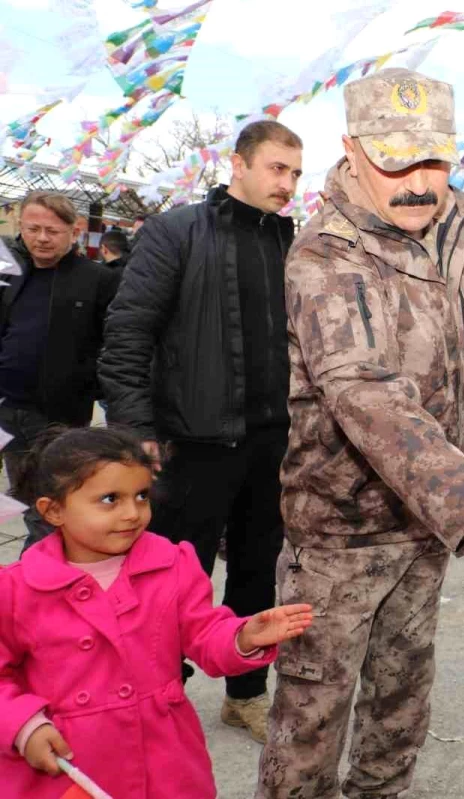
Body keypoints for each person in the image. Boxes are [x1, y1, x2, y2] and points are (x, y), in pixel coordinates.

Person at [255, 68, 464, 799]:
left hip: (425, 527)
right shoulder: (326, 254)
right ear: (352, 149)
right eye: (398, 160)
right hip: (340, 535)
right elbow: (366, 392)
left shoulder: (458, 234)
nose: (421, 183)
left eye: (435, 160)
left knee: (400, 706)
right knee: (312, 719)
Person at [98, 119, 304, 740]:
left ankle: (245, 694)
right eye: (277, 168)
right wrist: (135, 426)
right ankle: (158, 697)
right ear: (237, 164)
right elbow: (128, 333)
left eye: (296, 173)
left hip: (274, 444)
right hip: (192, 442)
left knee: (257, 570)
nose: (288, 184)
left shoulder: (295, 245)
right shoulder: (176, 231)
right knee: (171, 578)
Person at [0, 426, 313, 799]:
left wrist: (242, 637)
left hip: (162, 755)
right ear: (53, 511)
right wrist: (25, 726)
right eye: (109, 499)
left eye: (141, 496)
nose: (132, 513)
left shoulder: (171, 564)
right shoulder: (17, 589)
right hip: (68, 764)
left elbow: (202, 633)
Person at [0, 192, 120, 551]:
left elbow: (114, 344)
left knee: (50, 505)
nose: (40, 238)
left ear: (75, 231)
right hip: (8, 409)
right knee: (23, 497)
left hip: (57, 415)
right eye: (32, 228)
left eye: (51, 230)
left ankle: (37, 585)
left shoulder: (98, 280)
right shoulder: (11, 275)